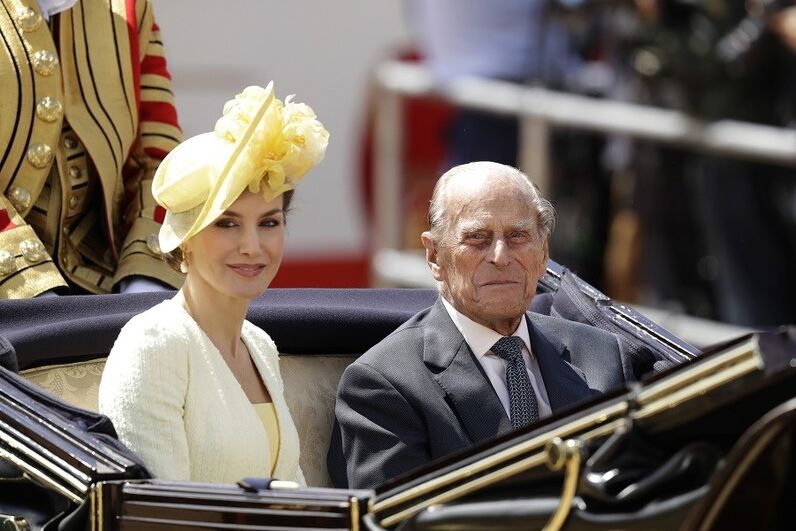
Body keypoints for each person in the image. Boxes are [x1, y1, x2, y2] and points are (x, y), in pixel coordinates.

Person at [328, 161, 636, 489]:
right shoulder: (384, 383)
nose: (501, 256)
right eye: (478, 238)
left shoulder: (603, 356)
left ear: (543, 253)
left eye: (518, 236)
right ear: (434, 256)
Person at [99, 84, 329, 484]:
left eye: (269, 223)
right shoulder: (154, 343)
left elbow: (295, 501)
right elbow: (154, 514)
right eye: (227, 223)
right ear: (185, 238)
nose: (252, 246)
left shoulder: (260, 346)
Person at [0, 0, 182, 298]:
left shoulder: (128, 8)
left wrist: (146, 278)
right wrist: (28, 287)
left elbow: (161, 160)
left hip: (109, 285)